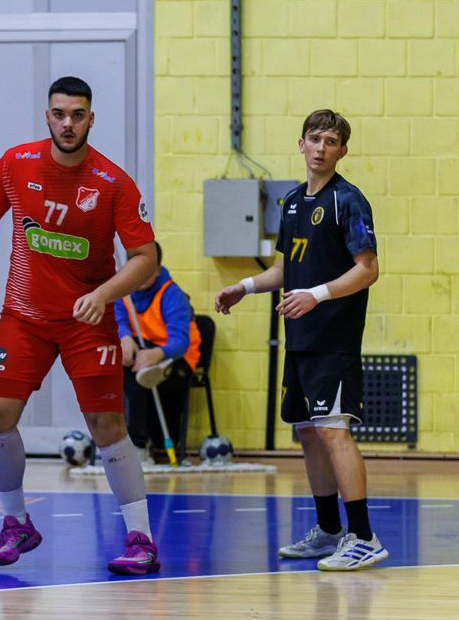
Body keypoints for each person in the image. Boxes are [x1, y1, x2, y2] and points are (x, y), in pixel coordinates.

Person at [0, 76, 161, 576]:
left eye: (77, 115)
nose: (68, 124)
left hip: (87, 320)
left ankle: (141, 539)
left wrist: (103, 294)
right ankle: (16, 523)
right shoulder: (16, 164)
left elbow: (145, 258)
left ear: (91, 119)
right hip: (25, 316)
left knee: (106, 425)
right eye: (59, 114)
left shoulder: (113, 182)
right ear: (47, 116)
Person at [214, 109, 385, 571]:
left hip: (333, 337)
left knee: (333, 430)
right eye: (315, 138)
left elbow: (368, 269)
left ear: (342, 150)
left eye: (330, 140)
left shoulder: (348, 200)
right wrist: (245, 287)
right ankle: (329, 531)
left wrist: (317, 295)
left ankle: (363, 536)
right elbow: (287, 266)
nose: (321, 147)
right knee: (308, 433)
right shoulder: (291, 202)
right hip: (300, 338)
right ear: (301, 144)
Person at [114, 242, 200, 456]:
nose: (141, 277)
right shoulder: (122, 292)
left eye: (147, 271)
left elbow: (180, 342)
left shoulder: (173, 295)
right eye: (136, 271)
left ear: (158, 268)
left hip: (176, 357)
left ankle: (138, 444)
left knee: (137, 372)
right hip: (141, 353)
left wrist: (157, 354)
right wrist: (124, 337)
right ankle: (134, 444)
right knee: (127, 365)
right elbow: (118, 319)